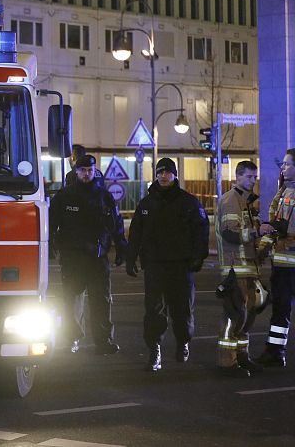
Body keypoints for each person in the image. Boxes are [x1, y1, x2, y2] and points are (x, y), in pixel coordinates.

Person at [125, 157, 209, 372]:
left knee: (182, 310)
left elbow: (201, 231)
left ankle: (183, 342)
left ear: (175, 175)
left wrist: (199, 256)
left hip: (181, 266)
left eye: (167, 172)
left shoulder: (188, 202)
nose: (163, 176)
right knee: (154, 312)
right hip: (154, 266)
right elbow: (136, 233)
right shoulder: (146, 204)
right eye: (160, 172)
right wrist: (130, 257)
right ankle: (155, 351)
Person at [50, 154, 127, 355]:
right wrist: (50, 245)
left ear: (95, 171)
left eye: (90, 170)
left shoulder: (104, 196)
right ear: (76, 172)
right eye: (83, 170)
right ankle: (71, 339)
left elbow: (116, 224)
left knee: (101, 301)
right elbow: (51, 224)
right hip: (72, 258)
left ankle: (103, 342)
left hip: (97, 258)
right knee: (71, 302)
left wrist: (121, 246)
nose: (87, 174)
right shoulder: (64, 196)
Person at [215, 161, 270, 377]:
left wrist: (265, 241)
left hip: (249, 268)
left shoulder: (246, 203)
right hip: (234, 269)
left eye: (255, 177)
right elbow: (230, 234)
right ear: (238, 177)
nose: (253, 181)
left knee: (247, 318)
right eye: (249, 177)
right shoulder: (231, 201)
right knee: (233, 317)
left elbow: (249, 236)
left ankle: (242, 357)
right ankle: (227, 363)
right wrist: (257, 232)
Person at [255, 148, 295, 368]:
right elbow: (274, 222)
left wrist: (277, 227)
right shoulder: (285, 192)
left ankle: (275, 352)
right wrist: (263, 249)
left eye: (288, 164)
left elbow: (284, 226)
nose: (283, 167)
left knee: (281, 310)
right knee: (280, 310)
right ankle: (275, 351)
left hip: (289, 264)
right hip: (281, 263)